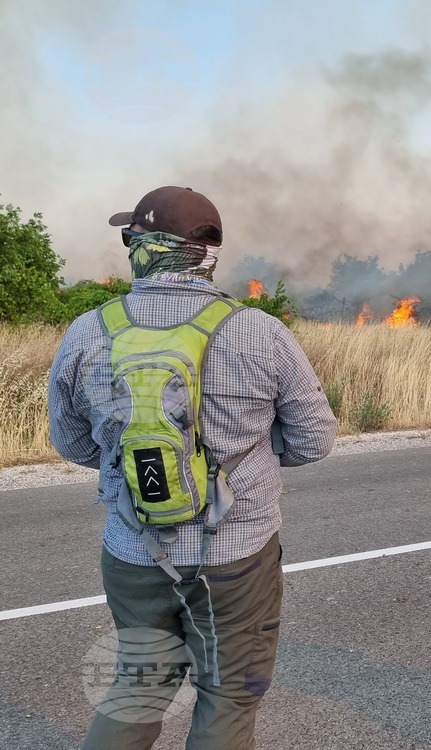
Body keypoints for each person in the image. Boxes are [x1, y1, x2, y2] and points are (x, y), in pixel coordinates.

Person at [48, 186, 337, 750]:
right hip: (234, 557)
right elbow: (315, 440)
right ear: (207, 254)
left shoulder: (88, 330)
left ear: (145, 247)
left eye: (131, 237)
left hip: (134, 551)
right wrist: (249, 461)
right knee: (227, 696)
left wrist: (128, 466)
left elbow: (72, 443)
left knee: (139, 685)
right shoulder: (260, 331)